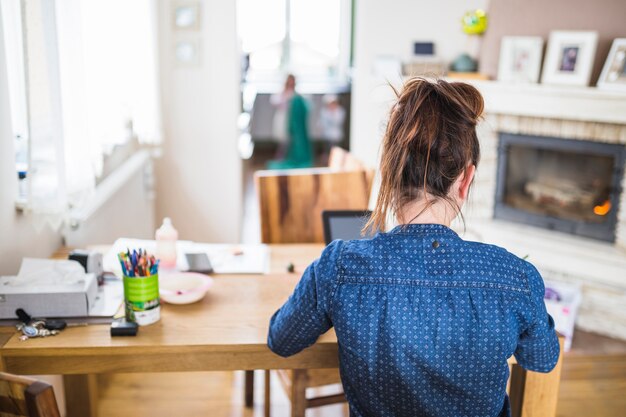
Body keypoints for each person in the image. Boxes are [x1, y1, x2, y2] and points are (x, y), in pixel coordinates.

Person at [267, 78, 560, 417]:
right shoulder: (515, 278)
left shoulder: (339, 267)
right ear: (465, 180)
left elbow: (282, 340)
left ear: (389, 173)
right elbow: (542, 359)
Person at [267, 74, 313, 169]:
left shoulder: (296, 95)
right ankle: (280, 158)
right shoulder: (282, 93)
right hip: (283, 119)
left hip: (292, 121)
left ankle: (284, 158)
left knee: (289, 141)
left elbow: (305, 104)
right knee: (283, 140)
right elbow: (275, 101)